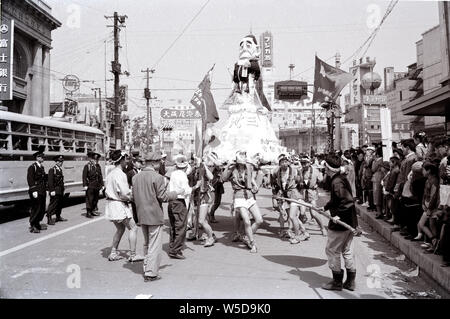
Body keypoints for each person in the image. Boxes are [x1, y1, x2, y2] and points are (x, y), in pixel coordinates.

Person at [132, 152, 181, 281]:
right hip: (154, 215)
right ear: (154, 163)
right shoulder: (157, 177)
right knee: (154, 245)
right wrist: (176, 193)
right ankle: (150, 272)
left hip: (141, 215)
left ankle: (147, 267)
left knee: (147, 243)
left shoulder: (136, 177)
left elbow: (133, 196)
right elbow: (163, 197)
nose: (160, 165)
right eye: (159, 162)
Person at [319, 154, 358, 291]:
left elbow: (346, 201)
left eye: (325, 168)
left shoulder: (336, 182)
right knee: (347, 251)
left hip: (341, 223)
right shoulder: (340, 178)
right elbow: (336, 200)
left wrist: (338, 216)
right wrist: (325, 207)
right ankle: (350, 282)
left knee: (332, 250)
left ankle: (337, 282)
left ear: (329, 169)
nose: (324, 170)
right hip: (350, 222)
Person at [104, 150, 144, 263]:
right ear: (121, 160)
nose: (126, 161)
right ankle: (133, 255)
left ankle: (113, 252)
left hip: (111, 204)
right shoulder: (120, 174)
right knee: (133, 228)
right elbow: (125, 193)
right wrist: (133, 197)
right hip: (119, 204)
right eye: (125, 159)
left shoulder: (110, 173)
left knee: (120, 228)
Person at [222, 151, 263, 253]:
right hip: (239, 196)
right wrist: (228, 166)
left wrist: (255, 185)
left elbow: (251, 177)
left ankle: (245, 236)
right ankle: (252, 243)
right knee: (246, 220)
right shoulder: (232, 168)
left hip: (249, 195)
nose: (243, 161)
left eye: (244, 157)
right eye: (241, 159)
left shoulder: (248, 166)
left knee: (259, 220)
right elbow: (222, 178)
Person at [271, 154, 309, 244]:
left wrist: (299, 176)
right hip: (284, 195)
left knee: (292, 216)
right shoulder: (277, 171)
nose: (284, 164)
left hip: (293, 195)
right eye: (282, 162)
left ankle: (297, 236)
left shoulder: (294, 170)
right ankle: (305, 232)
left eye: (285, 162)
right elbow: (274, 182)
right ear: (279, 163)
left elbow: (300, 182)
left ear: (288, 162)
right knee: (292, 216)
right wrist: (276, 193)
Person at [167, 154, 192, 259]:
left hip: (172, 201)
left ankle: (173, 246)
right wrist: (195, 187)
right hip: (179, 202)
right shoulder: (183, 176)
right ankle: (175, 250)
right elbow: (186, 191)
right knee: (181, 227)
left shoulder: (173, 174)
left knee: (174, 226)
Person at [27, 150, 48, 233]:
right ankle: (33, 225)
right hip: (36, 191)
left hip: (42, 190)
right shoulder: (32, 167)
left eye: (43, 157)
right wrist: (33, 190)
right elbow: (30, 179)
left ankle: (38, 223)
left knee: (42, 208)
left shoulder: (41, 167)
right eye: (41, 157)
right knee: (36, 208)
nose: (43, 158)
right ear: (37, 158)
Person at [47, 155, 68, 224]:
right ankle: (49, 218)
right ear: (56, 162)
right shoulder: (52, 170)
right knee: (53, 204)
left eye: (62, 162)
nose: (61, 163)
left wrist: (63, 190)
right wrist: (52, 190)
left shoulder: (60, 170)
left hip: (60, 190)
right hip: (55, 190)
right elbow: (50, 181)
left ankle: (58, 216)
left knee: (59, 204)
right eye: (59, 161)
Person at [82, 151, 103, 218]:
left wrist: (102, 184)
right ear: (91, 159)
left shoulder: (98, 166)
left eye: (97, 160)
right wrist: (85, 185)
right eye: (95, 159)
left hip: (97, 185)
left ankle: (93, 211)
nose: (96, 161)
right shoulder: (87, 166)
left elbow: (100, 176)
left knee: (95, 199)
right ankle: (88, 212)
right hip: (90, 185)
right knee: (89, 199)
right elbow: (84, 176)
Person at [126, 155, 144, 224]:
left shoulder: (143, 171)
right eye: (138, 162)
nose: (139, 164)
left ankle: (142, 219)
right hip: (134, 191)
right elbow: (128, 182)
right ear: (134, 163)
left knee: (142, 205)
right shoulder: (130, 172)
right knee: (135, 206)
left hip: (142, 191)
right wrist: (129, 190)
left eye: (140, 162)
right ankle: (136, 220)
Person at [208, 152, 224, 224]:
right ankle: (210, 216)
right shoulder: (210, 166)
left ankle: (211, 214)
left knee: (217, 202)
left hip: (219, 185)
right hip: (212, 186)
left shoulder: (219, 165)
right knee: (211, 202)